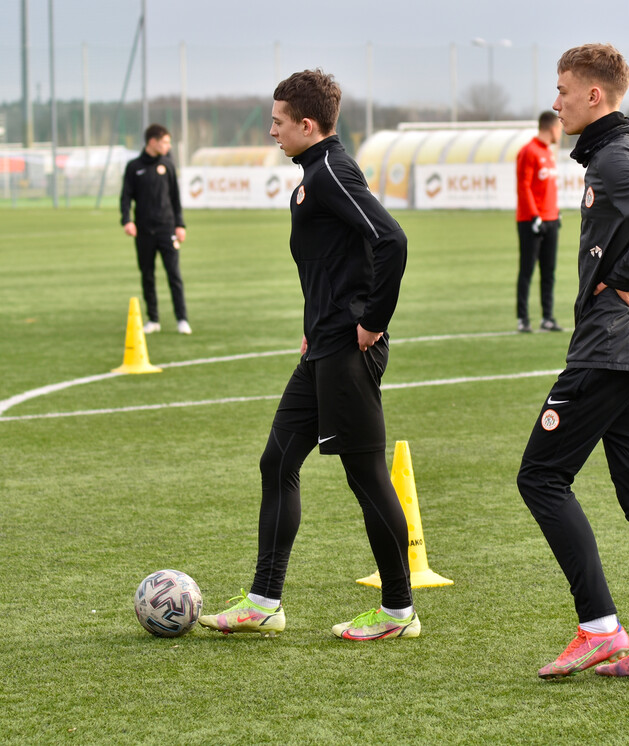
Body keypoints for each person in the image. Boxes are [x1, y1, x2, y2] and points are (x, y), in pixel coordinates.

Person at [198, 69, 418, 642]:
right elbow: (334, 261)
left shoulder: (331, 172)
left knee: (367, 478)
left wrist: (372, 320)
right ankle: (264, 601)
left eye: (276, 121)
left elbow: (390, 239)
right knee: (277, 462)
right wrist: (314, 325)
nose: (271, 131)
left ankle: (398, 612)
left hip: (347, 351)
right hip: (320, 346)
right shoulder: (312, 174)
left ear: (306, 123)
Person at [516, 43, 629, 680]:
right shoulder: (619, 152)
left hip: (610, 350)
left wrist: (618, 274)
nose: (555, 101)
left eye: (563, 89)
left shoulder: (615, 155)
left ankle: (599, 627)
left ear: (596, 96)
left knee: (539, 477)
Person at [120, 124, 191, 335]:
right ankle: (153, 319)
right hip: (143, 231)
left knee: (174, 275)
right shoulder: (134, 167)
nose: (168, 146)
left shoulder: (167, 165)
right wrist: (127, 220)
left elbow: (175, 199)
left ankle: (182, 319)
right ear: (152, 141)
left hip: (167, 229)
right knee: (147, 275)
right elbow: (125, 196)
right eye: (165, 142)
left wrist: (180, 224)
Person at [515, 111, 563, 333]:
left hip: (551, 220)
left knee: (549, 271)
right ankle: (523, 319)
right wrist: (535, 215)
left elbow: (549, 189)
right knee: (527, 271)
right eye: (559, 127)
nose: (561, 132)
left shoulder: (549, 153)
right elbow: (523, 186)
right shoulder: (529, 151)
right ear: (551, 128)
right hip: (531, 221)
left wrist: (556, 212)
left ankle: (547, 317)